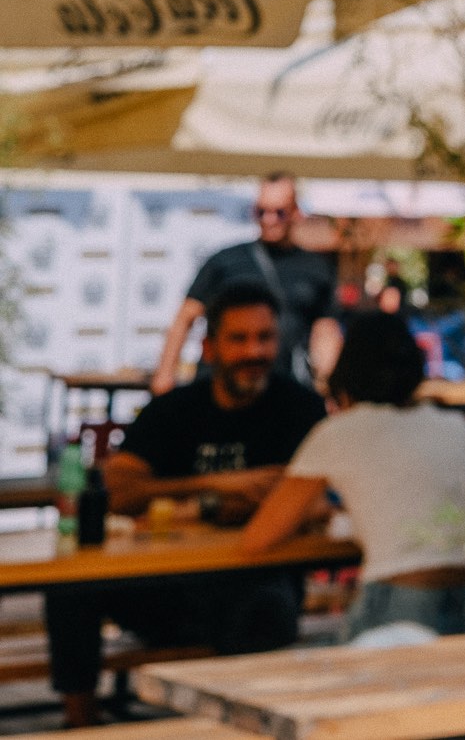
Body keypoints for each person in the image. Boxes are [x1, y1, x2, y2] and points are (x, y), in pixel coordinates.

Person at [49, 283, 326, 726]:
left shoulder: (300, 408)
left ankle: (246, 727)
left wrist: (189, 499)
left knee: (263, 606)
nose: (254, 351)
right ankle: (79, 725)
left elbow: (309, 504)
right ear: (210, 347)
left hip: (252, 578)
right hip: (166, 583)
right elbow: (119, 489)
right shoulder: (176, 408)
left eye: (265, 337)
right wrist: (226, 483)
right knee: (70, 586)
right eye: (239, 339)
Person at [242, 309, 465, 638]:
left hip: (394, 604)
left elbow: (260, 538)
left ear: (347, 372)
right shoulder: (456, 427)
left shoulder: (340, 431)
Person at [153, 174, 341, 394]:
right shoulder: (225, 260)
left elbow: (325, 331)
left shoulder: (315, 268)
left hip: (281, 388)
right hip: (221, 387)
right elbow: (185, 317)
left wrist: (327, 384)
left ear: (296, 212)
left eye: (279, 212)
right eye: (261, 211)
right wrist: (165, 373)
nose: (269, 219)